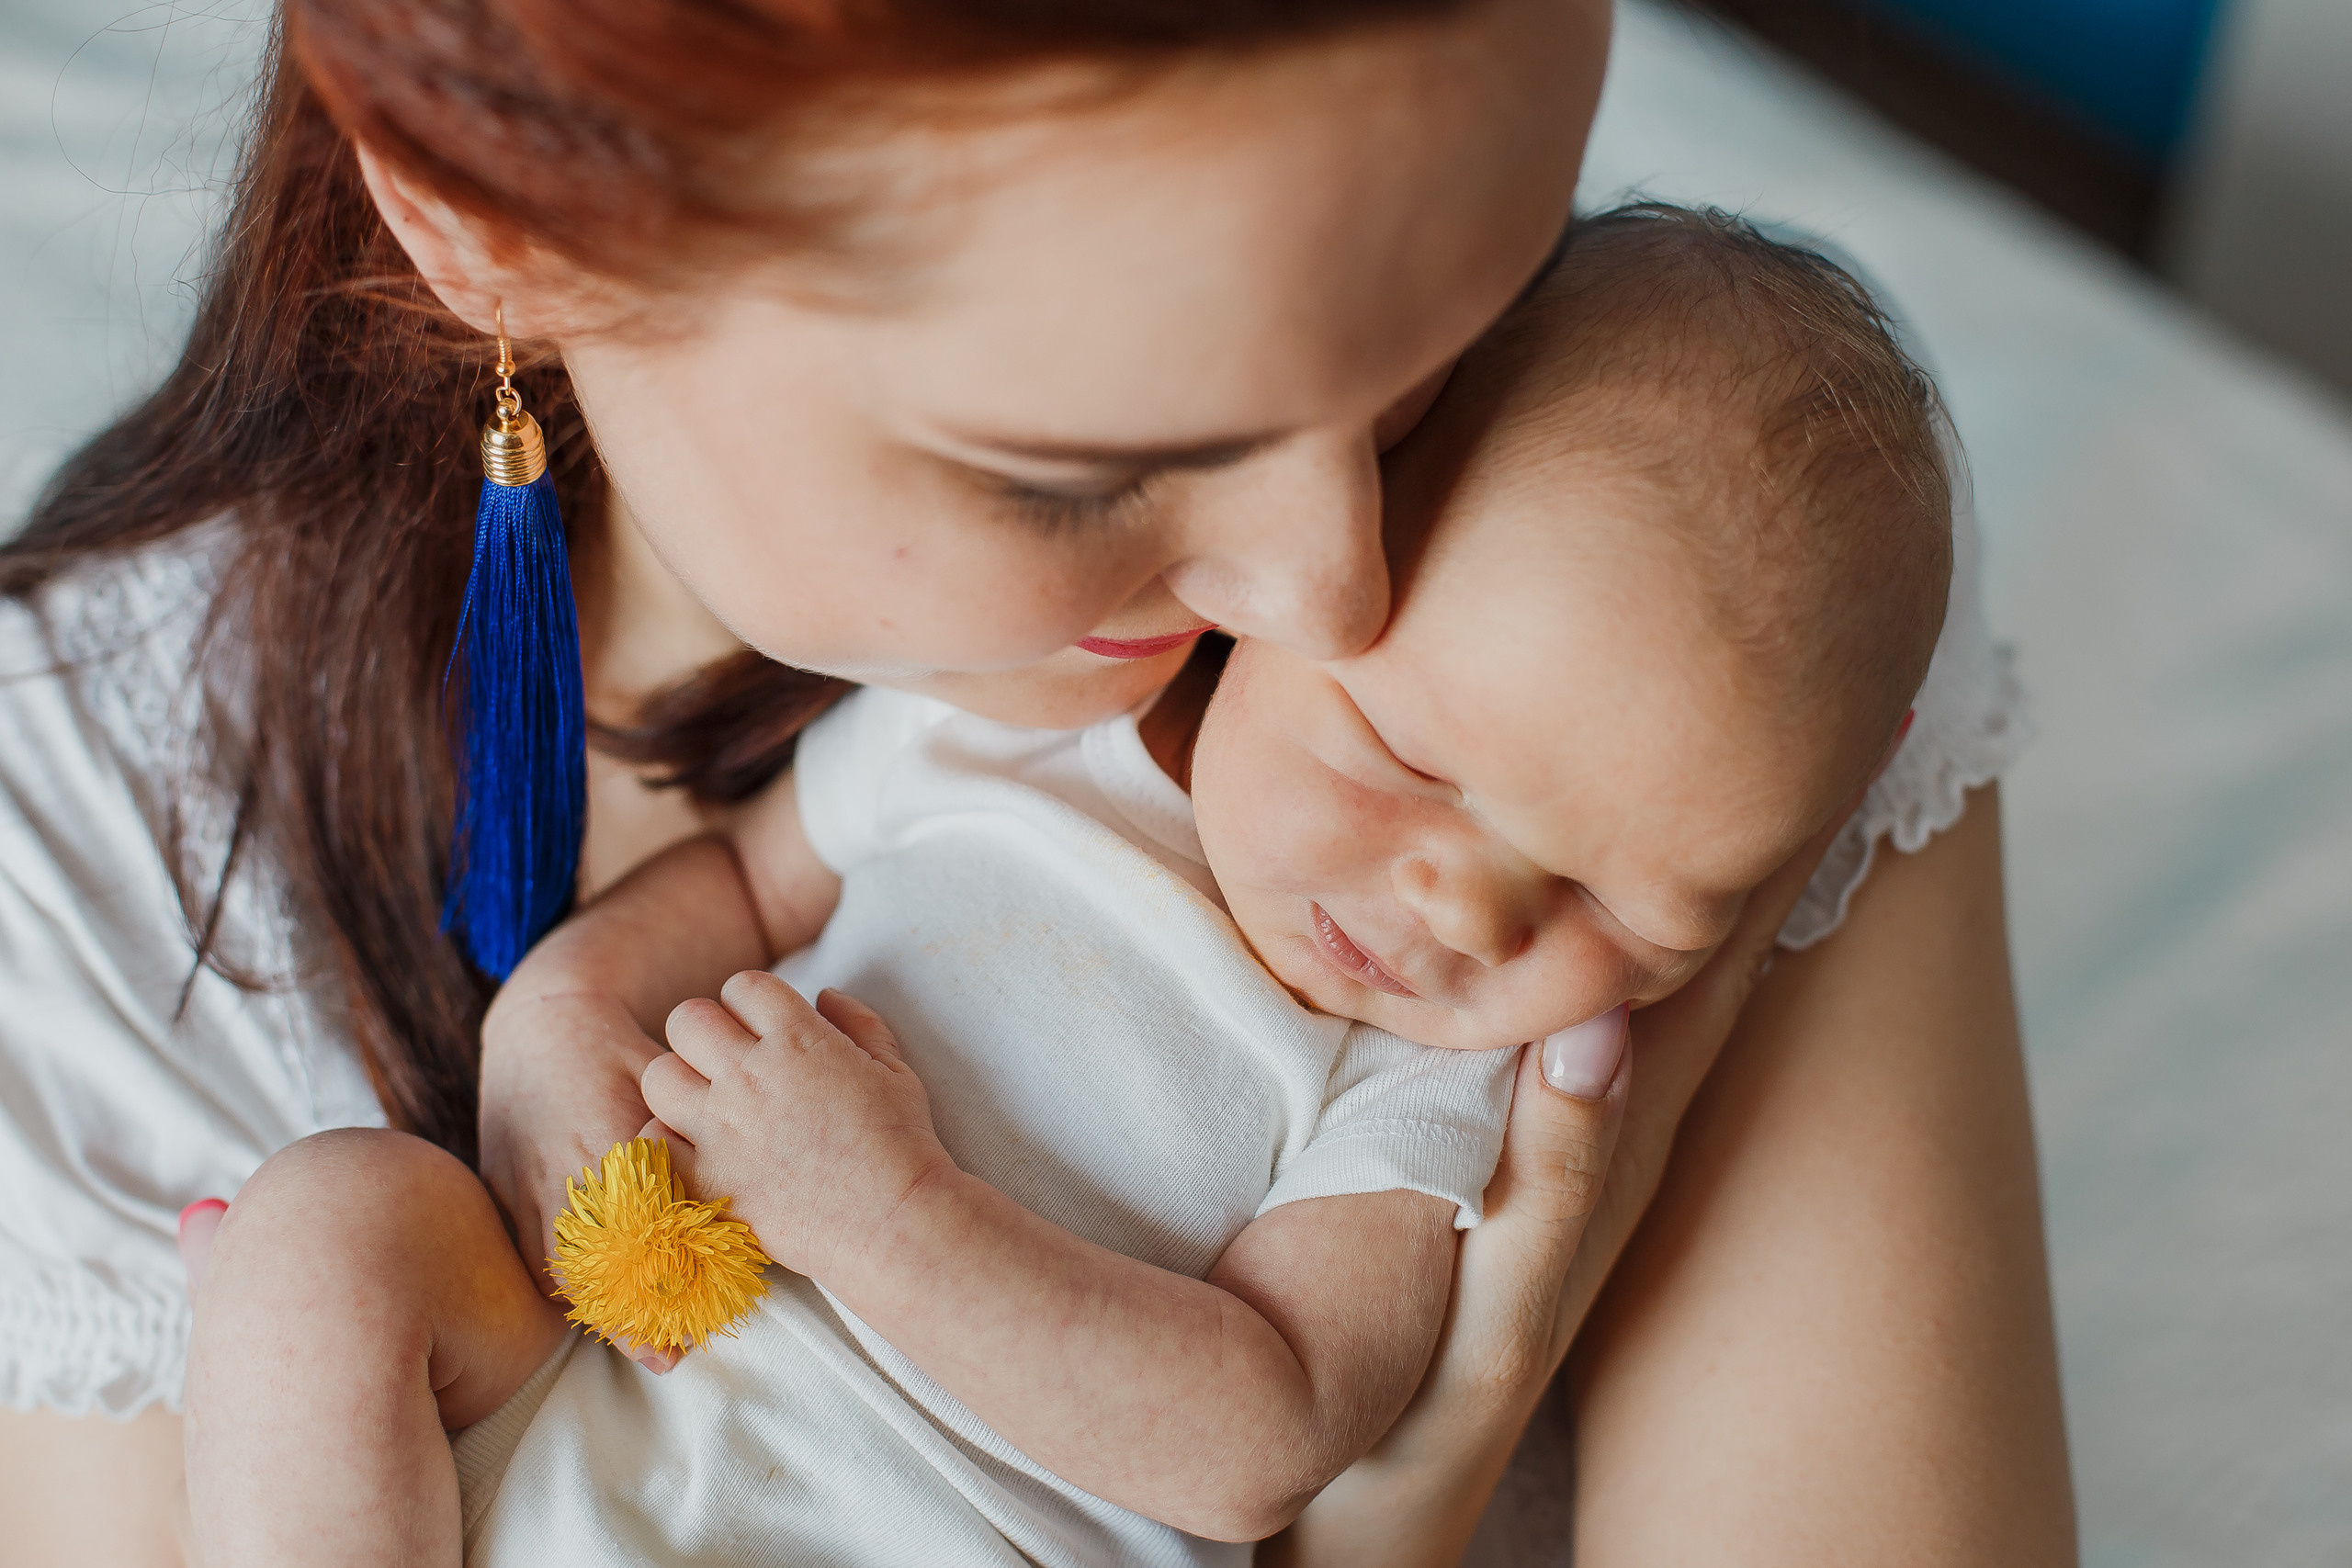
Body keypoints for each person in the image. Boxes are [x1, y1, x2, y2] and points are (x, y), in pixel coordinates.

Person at [0, 0, 2073, 1562]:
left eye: (1431, 348)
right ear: (494, 218)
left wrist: (1362, 1495)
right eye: (1090, 465)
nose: (1333, 586)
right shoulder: (86, 881)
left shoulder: (1695, 589)